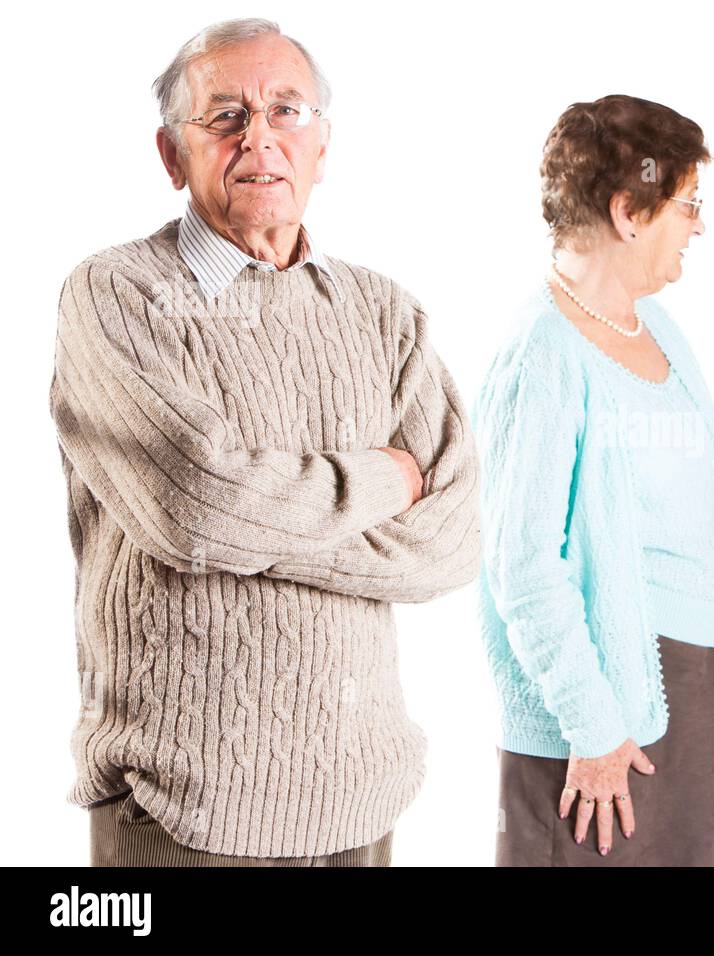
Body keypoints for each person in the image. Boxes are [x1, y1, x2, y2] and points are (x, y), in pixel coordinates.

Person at [49, 17, 480, 866]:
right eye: (225, 117)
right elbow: (196, 510)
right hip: (179, 808)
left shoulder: (384, 312)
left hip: (364, 798)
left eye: (287, 111)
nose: (261, 139)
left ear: (322, 145)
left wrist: (256, 519)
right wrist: (387, 482)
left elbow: (454, 542)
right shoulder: (115, 295)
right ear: (174, 155)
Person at [475, 94, 714, 865]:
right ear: (630, 210)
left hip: (683, 696)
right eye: (688, 204)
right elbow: (521, 568)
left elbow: (707, 513)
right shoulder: (544, 352)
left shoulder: (653, 324)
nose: (698, 225)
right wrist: (593, 729)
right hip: (599, 710)